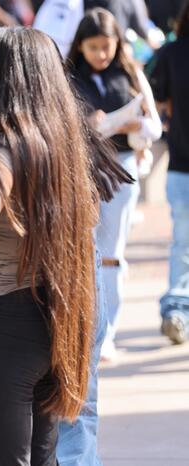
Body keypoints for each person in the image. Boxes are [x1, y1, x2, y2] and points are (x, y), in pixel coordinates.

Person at [0, 26, 102, 465]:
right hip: (57, 319)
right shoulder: (59, 144)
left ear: (6, 76)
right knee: (43, 456)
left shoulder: (2, 143)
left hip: (4, 322)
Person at [68, 7, 162, 361]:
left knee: (111, 255)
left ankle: (106, 333)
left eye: (106, 47)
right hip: (81, 170)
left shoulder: (131, 74)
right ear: (81, 46)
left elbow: (153, 125)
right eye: (93, 48)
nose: (101, 55)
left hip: (121, 168)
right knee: (81, 252)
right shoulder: (68, 76)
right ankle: (82, 329)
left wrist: (131, 126)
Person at [149, 0, 189, 344]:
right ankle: (177, 309)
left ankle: (177, 307)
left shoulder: (172, 53)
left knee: (183, 242)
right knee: (183, 242)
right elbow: (155, 99)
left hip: (181, 159)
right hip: (182, 163)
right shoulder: (172, 53)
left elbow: (160, 102)